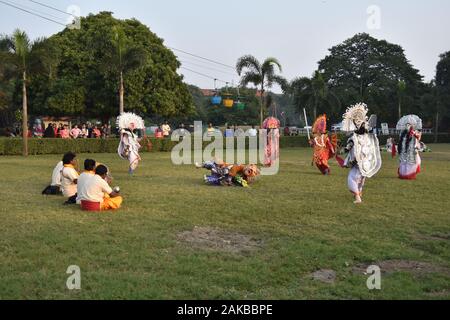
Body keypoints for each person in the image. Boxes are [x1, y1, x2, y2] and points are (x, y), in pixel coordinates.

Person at [341, 103, 382, 204]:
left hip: (358, 161)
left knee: (352, 178)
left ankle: (358, 197)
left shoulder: (354, 138)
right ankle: (359, 192)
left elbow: (348, 148)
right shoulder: (367, 136)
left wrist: (342, 150)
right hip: (365, 162)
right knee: (360, 178)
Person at [196, 160, 260, 187]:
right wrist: (230, 179)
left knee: (221, 180)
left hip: (224, 174)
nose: (248, 172)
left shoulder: (244, 174)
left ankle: (209, 178)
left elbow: (244, 181)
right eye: (249, 171)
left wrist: (244, 182)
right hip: (223, 169)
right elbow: (233, 170)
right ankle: (202, 165)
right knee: (216, 164)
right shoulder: (240, 166)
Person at [396, 115, 423, 180]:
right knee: (404, 162)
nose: (408, 126)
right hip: (404, 150)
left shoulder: (416, 131)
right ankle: (403, 174)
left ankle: (409, 174)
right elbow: (401, 141)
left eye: (410, 124)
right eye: (407, 124)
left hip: (412, 149)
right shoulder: (403, 133)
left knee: (413, 161)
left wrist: (414, 133)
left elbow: (418, 137)